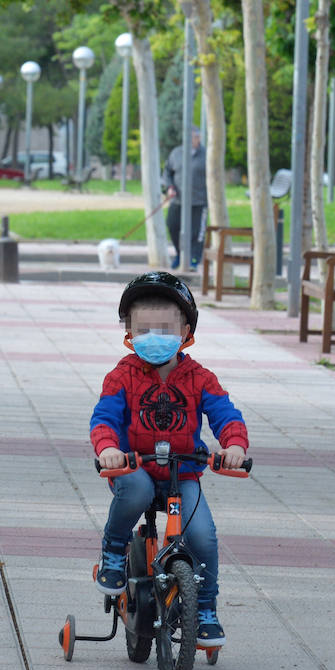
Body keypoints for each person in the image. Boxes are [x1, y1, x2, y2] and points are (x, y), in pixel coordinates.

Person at [88, 271, 249, 648]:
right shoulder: (122, 376)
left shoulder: (199, 378)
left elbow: (225, 414)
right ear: (128, 330)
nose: (154, 336)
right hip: (135, 466)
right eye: (144, 329)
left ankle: (205, 608)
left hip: (184, 471)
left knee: (203, 535)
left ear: (186, 328)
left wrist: (234, 446)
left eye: (164, 328)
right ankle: (114, 550)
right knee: (137, 490)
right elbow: (105, 419)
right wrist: (108, 448)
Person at [162, 128, 208, 270]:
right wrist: (170, 187)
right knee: (172, 225)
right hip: (178, 200)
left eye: (198, 137)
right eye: (194, 137)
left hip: (199, 201)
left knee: (197, 233)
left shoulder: (206, 154)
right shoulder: (176, 153)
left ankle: (194, 259)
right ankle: (179, 255)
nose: (197, 139)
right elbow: (167, 172)